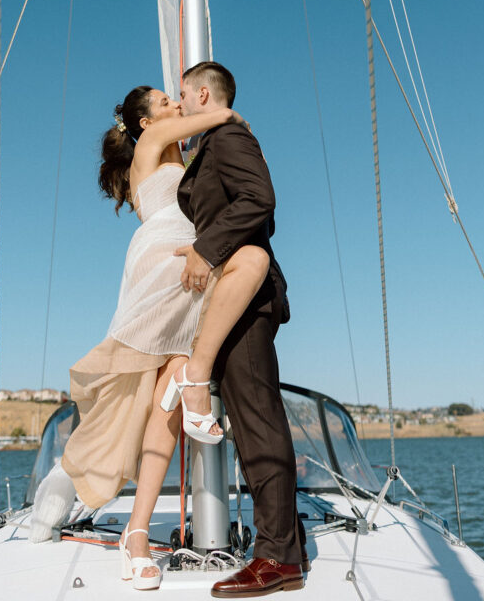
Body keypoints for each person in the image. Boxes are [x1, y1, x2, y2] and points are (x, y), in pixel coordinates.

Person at [28, 85, 270, 591]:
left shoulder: (184, 159)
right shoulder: (149, 143)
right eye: (163, 101)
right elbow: (220, 115)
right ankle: (75, 472)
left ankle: (135, 534)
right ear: (143, 122)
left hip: (197, 262)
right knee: (130, 389)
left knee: (165, 397)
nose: (172, 105)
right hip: (163, 261)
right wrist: (223, 112)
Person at [176, 61, 307, 597]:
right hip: (231, 294)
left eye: (183, 95)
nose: (180, 104)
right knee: (253, 418)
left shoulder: (227, 136)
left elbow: (261, 200)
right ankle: (282, 538)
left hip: (248, 297)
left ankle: (278, 557)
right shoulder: (211, 141)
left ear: (203, 93)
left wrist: (207, 249)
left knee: (258, 422)